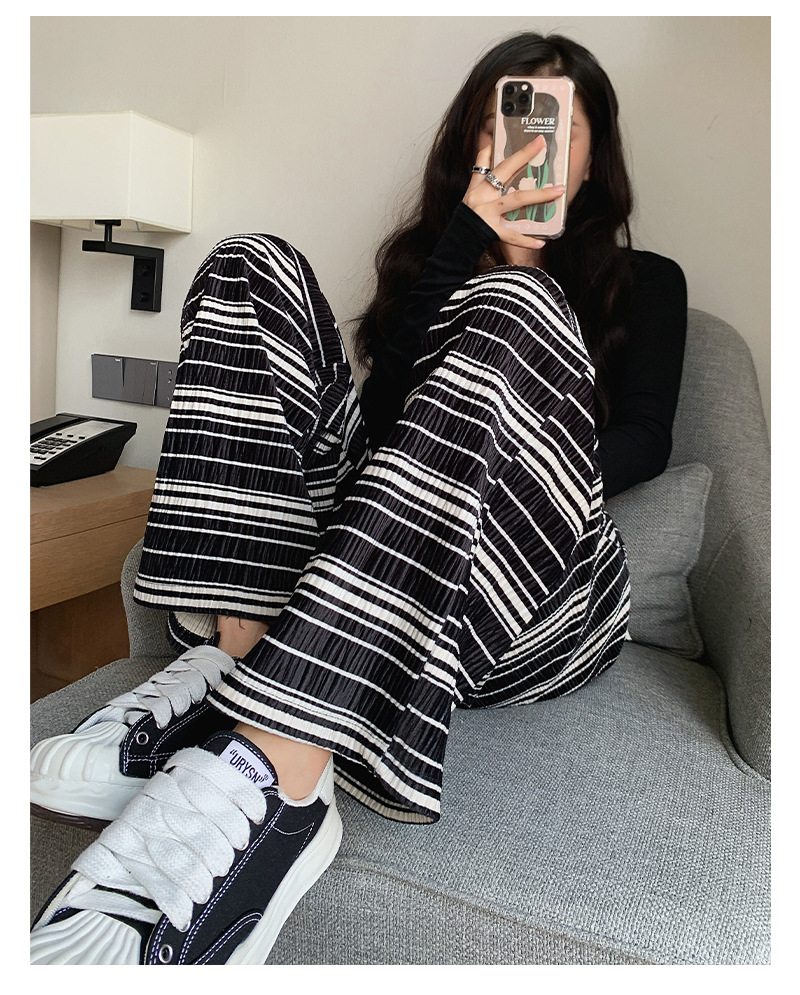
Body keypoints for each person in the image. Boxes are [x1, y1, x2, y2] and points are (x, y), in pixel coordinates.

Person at [29, 31, 685, 965]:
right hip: (391, 560)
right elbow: (381, 424)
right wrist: (467, 245)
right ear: (472, 141)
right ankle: (240, 652)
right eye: (506, 121)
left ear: (595, 155)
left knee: (519, 306)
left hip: (542, 593)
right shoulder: (429, 260)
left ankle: (283, 774)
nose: (531, 145)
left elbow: (646, 439)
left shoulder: (647, 282)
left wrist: (510, 373)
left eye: (560, 126)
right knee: (250, 262)